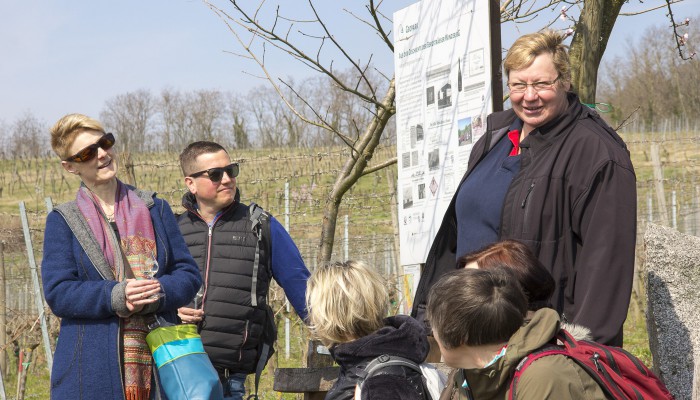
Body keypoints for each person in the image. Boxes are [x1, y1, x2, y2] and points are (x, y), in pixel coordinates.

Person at [412, 30, 637, 346]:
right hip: (470, 338)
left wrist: (580, 353)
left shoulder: (596, 153)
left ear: (565, 82)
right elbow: (455, 238)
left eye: (542, 84)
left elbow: (606, 266)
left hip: (538, 342)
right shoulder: (494, 139)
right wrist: (428, 317)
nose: (529, 96)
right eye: (518, 85)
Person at [42, 114, 202, 400]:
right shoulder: (63, 220)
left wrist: (158, 292)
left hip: (160, 363)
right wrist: (115, 296)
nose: (102, 154)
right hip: (90, 373)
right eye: (88, 152)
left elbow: (187, 274)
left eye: (105, 142)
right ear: (70, 166)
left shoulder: (156, 208)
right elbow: (59, 292)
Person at [176, 141, 310, 400]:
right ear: (190, 183)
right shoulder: (172, 230)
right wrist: (170, 310)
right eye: (215, 174)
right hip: (173, 372)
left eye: (231, 170)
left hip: (229, 380)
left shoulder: (260, 227)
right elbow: (151, 292)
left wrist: (349, 344)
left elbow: (304, 293)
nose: (227, 179)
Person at [427, 267, 607, 399]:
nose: (432, 332)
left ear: (458, 336)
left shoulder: (544, 375)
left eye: (433, 324)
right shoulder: (469, 375)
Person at [306, 260, 430, 400]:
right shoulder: (361, 361)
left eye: (314, 309)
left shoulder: (382, 383)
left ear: (330, 315)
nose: (312, 317)